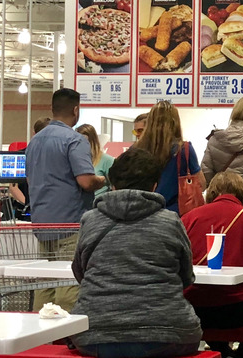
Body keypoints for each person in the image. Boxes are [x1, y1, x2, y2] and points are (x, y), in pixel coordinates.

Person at [70, 148, 202, 358]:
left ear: (112, 185)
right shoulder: (170, 222)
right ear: (154, 186)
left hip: (94, 333)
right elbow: (187, 277)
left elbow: (80, 272)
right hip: (167, 333)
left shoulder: (90, 220)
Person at [26, 88, 106, 312]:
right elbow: (86, 182)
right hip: (69, 223)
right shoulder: (74, 140)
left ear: (52, 109)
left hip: (41, 223)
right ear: (76, 110)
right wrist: (102, 179)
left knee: (46, 283)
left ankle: (41, 338)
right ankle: (66, 339)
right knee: (68, 284)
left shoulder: (34, 141)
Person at [182, 171, 243, 358]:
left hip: (196, 307)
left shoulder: (189, 218)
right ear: (242, 194)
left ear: (211, 193)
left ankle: (221, 350)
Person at [134, 101, 206, 215]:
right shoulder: (184, 150)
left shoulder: (136, 150)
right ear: (175, 123)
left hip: (144, 212)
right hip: (177, 214)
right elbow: (201, 183)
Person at [76, 124, 114, 197]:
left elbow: (115, 187)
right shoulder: (75, 160)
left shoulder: (107, 160)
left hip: (99, 204)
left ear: (92, 141)